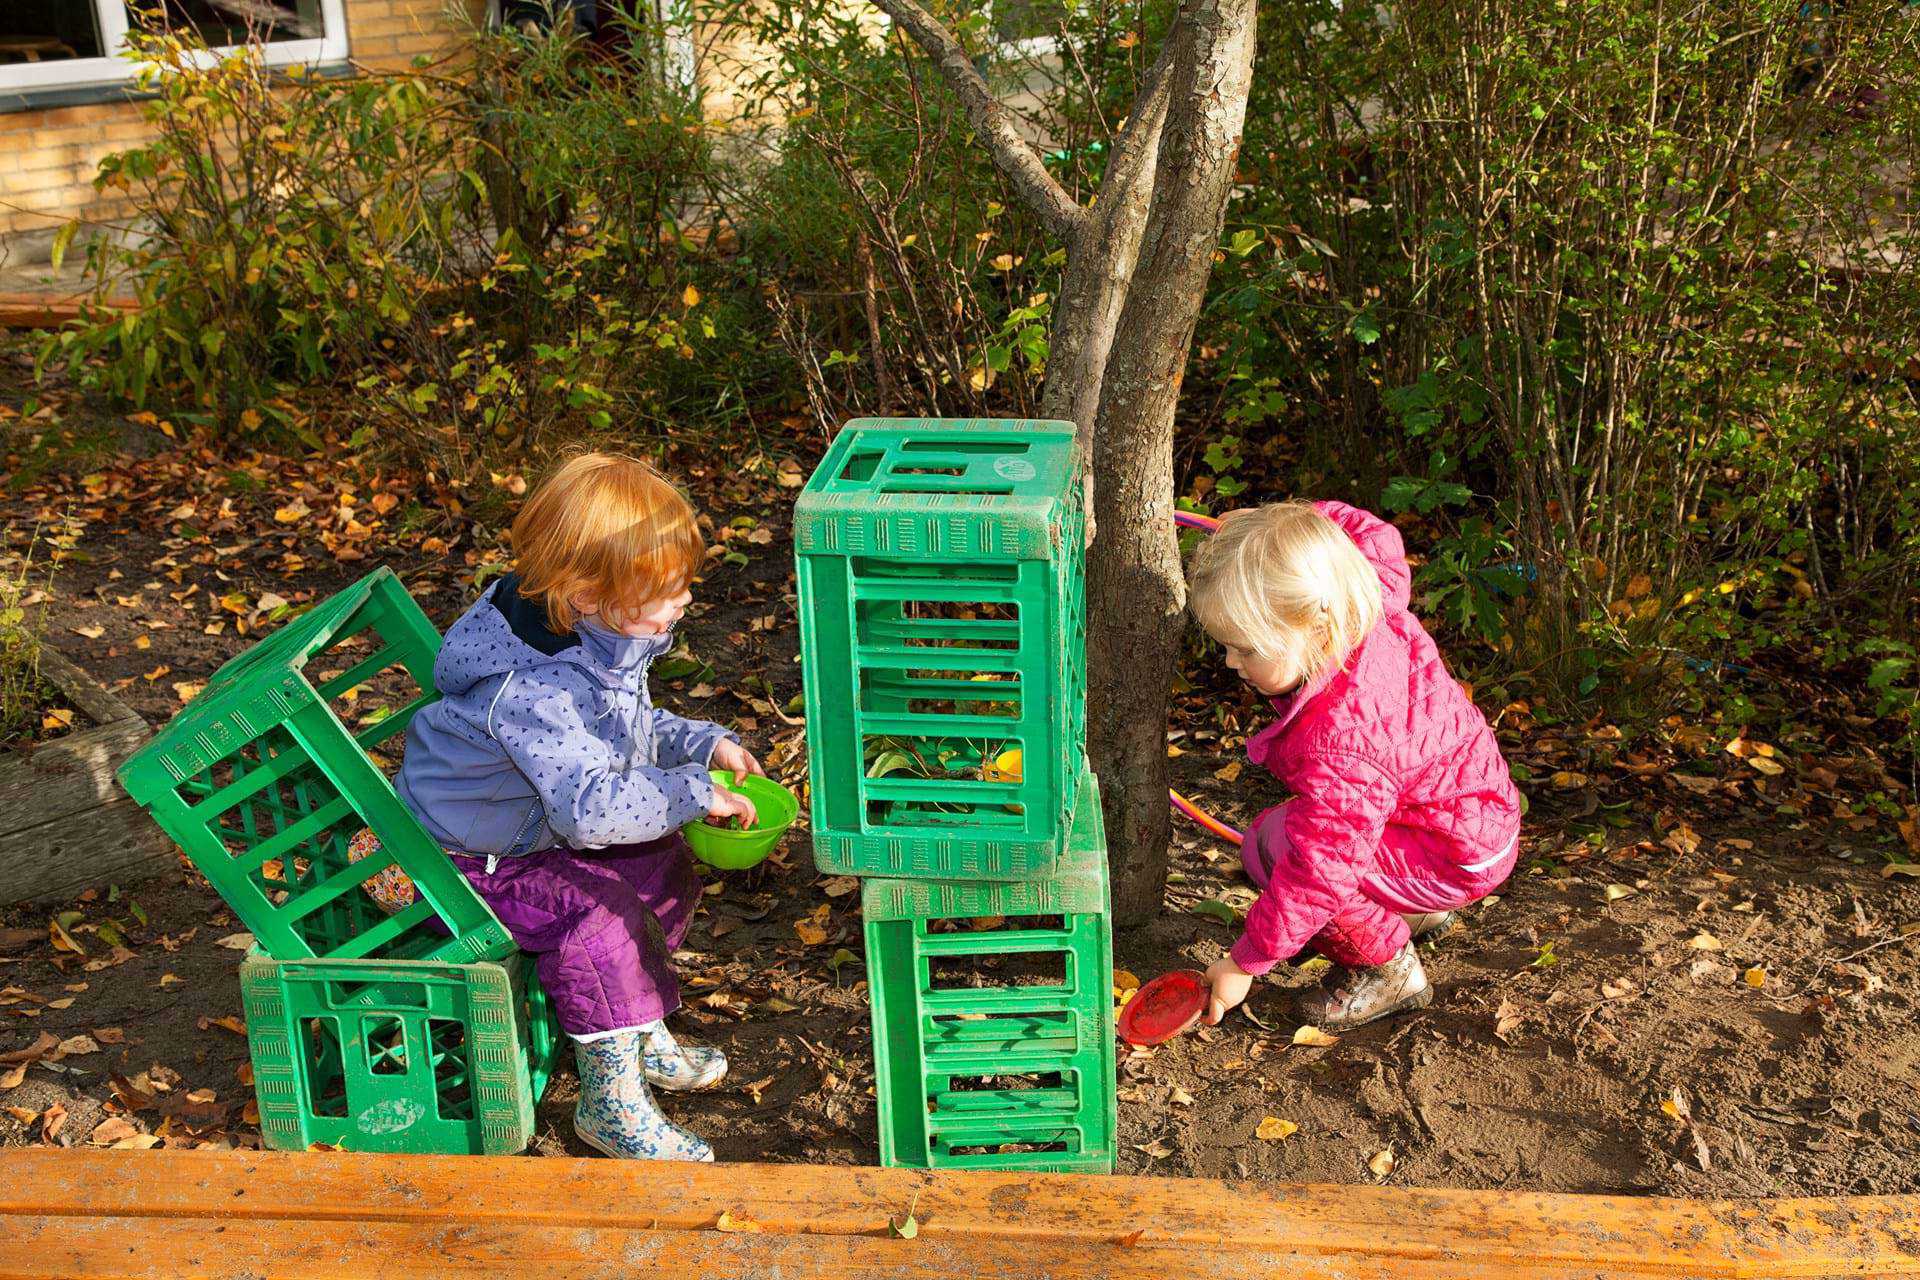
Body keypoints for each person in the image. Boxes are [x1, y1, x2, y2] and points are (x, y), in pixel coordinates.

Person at [396, 451, 760, 1161]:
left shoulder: (596, 637)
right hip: (467, 862)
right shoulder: (535, 690)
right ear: (589, 592)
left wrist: (702, 745)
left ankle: (635, 1024)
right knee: (600, 923)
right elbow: (589, 812)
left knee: (663, 869)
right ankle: (610, 1106)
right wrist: (688, 792)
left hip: (530, 830)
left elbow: (624, 733)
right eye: (665, 586)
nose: (685, 598)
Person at [1186, 500, 1522, 1031]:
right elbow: (1368, 531)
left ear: (1313, 628)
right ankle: (1412, 907)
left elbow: (1319, 872)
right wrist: (1280, 528)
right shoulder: (1362, 591)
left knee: (1282, 849)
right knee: (1276, 839)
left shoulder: (1342, 736)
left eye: (1245, 649)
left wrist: (1244, 961)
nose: (1231, 663)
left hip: (1455, 851)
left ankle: (1387, 969)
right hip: (1471, 814)